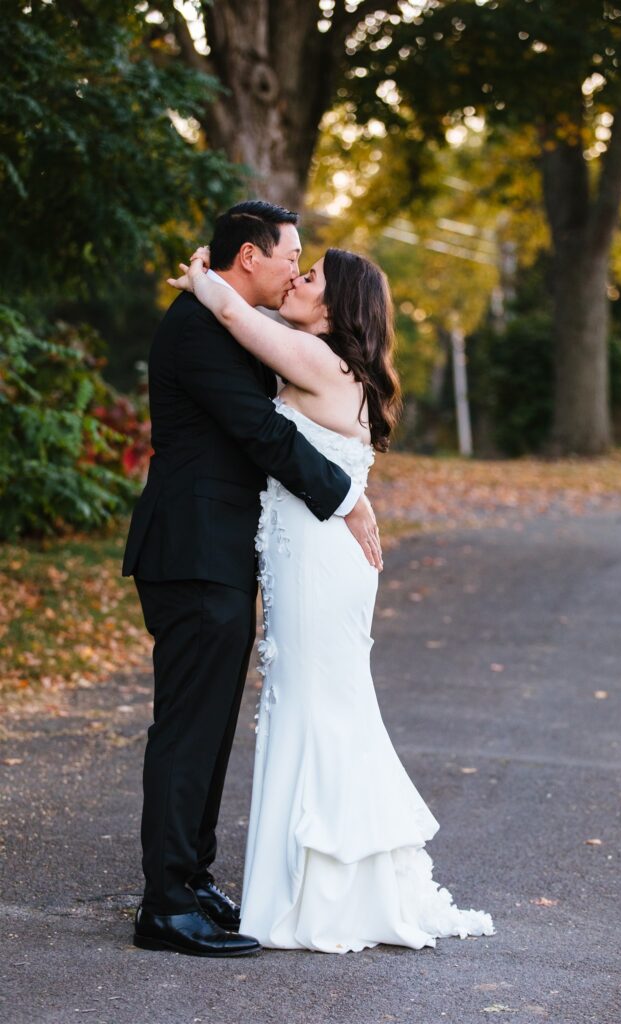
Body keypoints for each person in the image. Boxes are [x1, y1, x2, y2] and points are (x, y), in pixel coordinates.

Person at [166, 241, 496, 952]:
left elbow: (232, 315)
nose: (296, 278)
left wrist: (200, 277)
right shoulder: (328, 362)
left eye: (308, 275)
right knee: (315, 703)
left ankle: (322, 894)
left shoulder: (315, 358)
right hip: (310, 554)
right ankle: (313, 882)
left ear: (335, 303)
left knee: (315, 706)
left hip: (318, 560)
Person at [122, 201, 383, 958]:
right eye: (289, 255)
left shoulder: (225, 316)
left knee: (207, 730)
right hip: (191, 551)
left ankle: (192, 881)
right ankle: (165, 905)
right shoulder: (200, 328)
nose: (296, 269)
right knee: (186, 729)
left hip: (219, 554)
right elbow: (261, 431)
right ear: (247, 256)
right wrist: (346, 498)